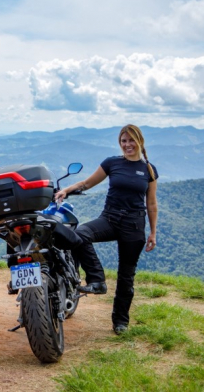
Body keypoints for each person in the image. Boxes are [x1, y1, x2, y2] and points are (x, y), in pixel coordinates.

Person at [54, 124, 158, 335]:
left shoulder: (149, 169)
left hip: (134, 225)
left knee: (126, 277)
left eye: (131, 140)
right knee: (81, 233)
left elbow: (152, 204)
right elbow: (87, 183)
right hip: (109, 219)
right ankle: (97, 281)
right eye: (123, 141)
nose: (127, 145)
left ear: (140, 141)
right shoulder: (112, 163)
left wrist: (153, 233)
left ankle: (120, 322)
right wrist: (66, 189)